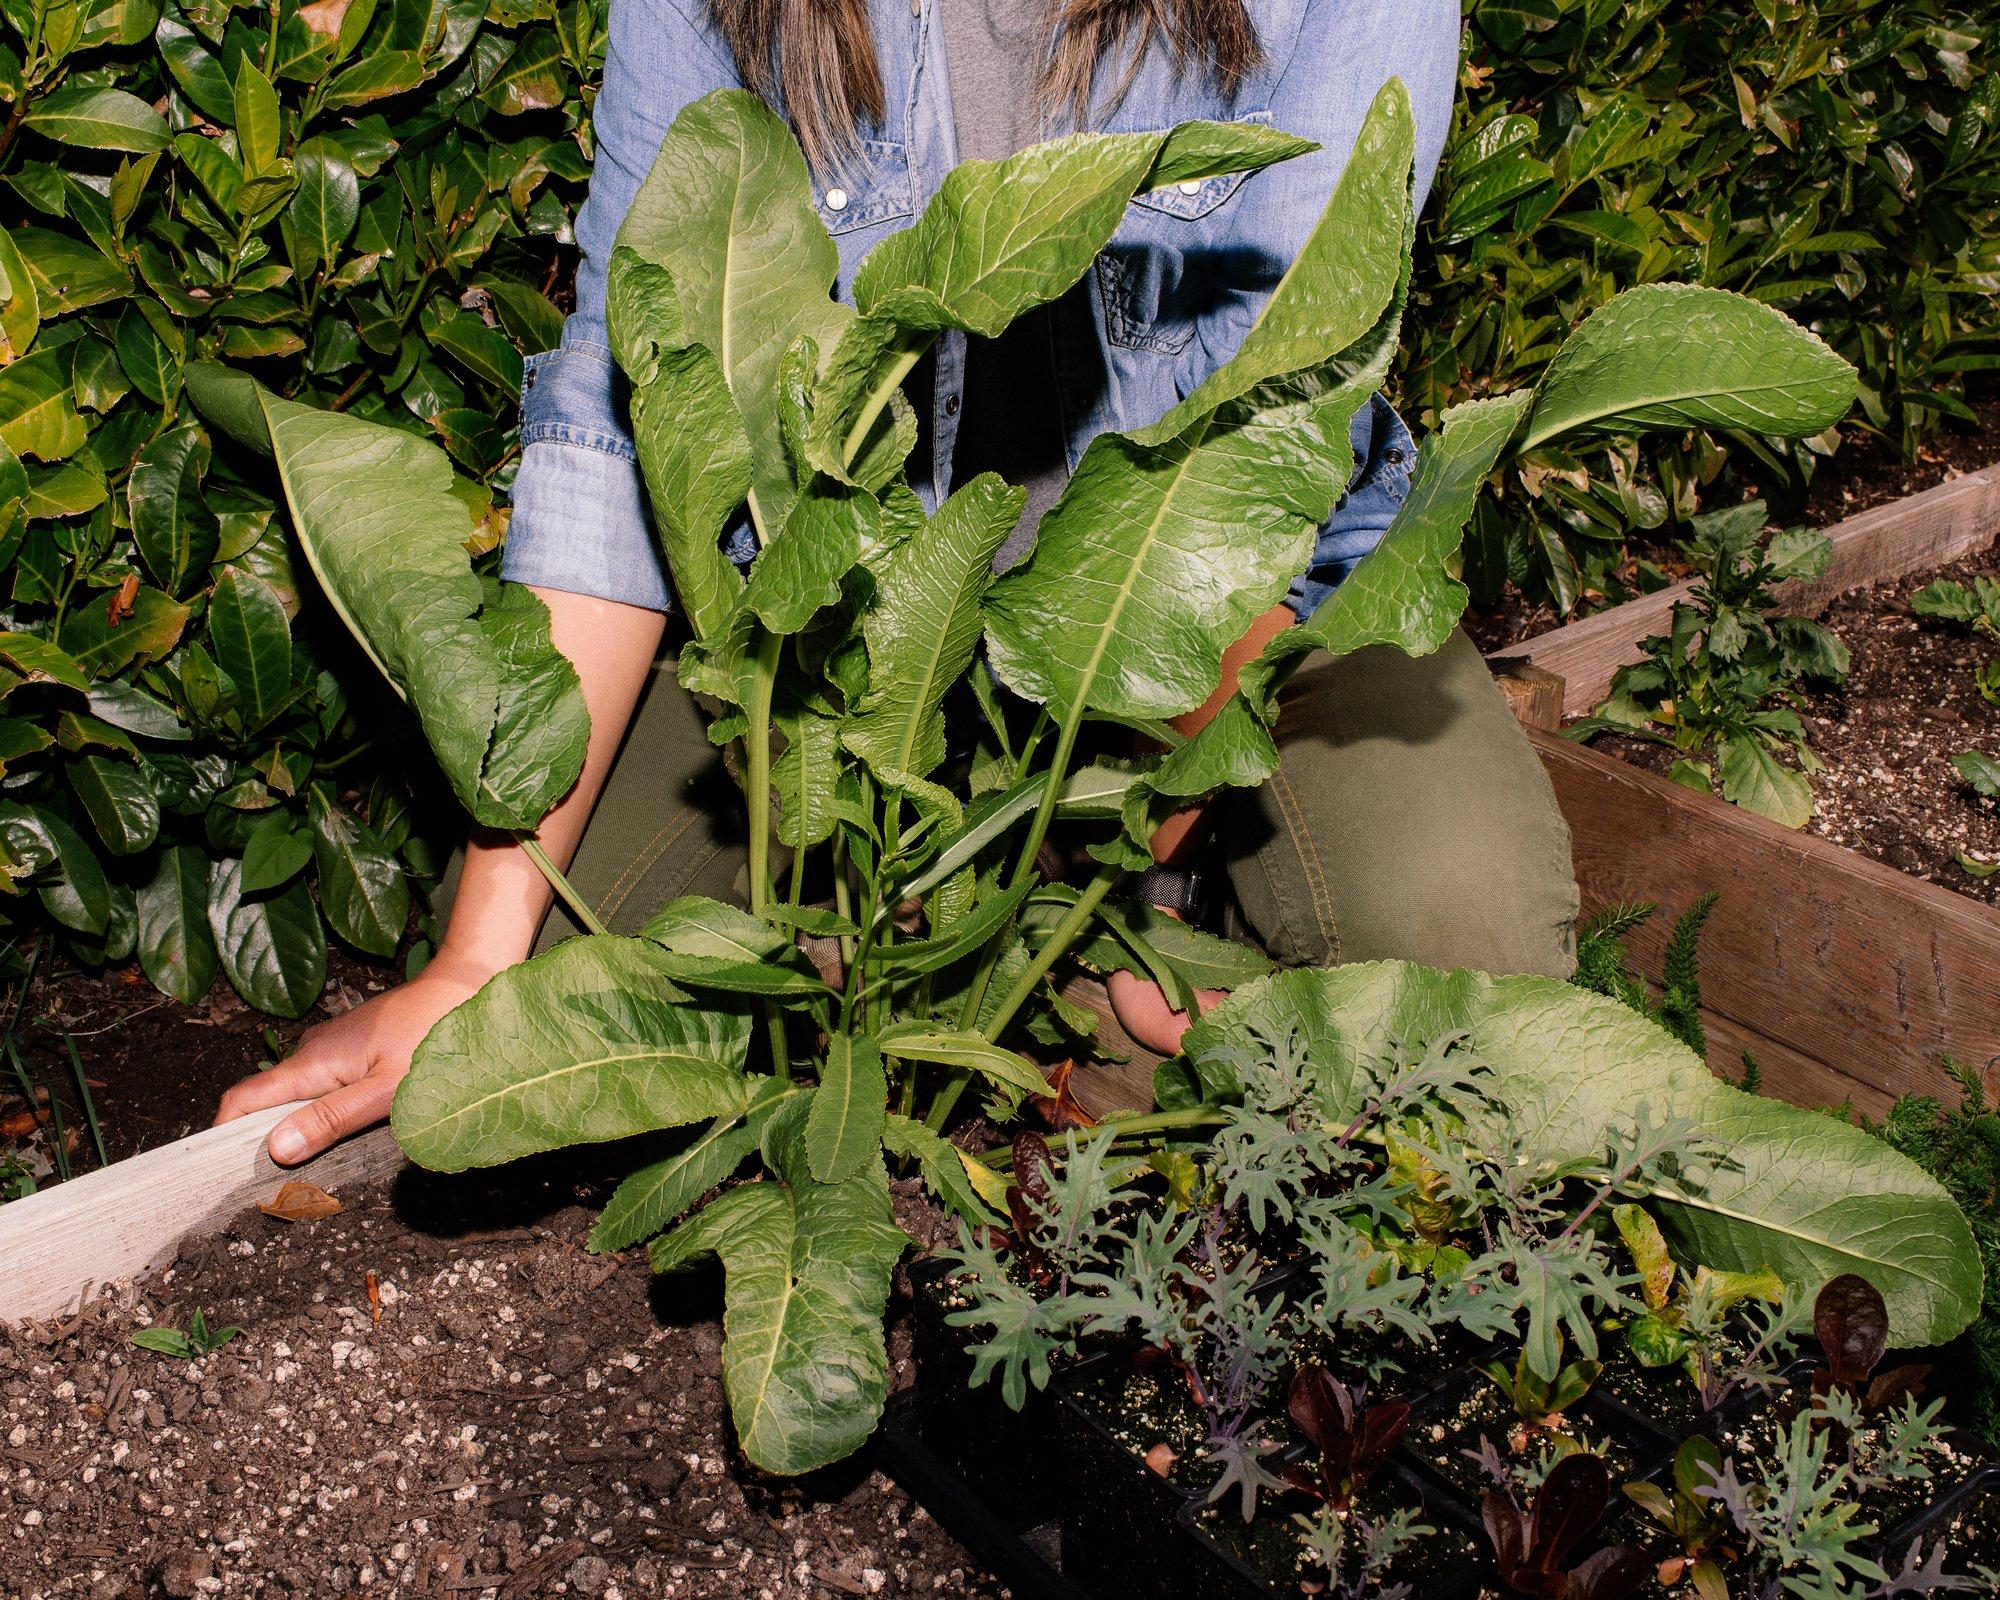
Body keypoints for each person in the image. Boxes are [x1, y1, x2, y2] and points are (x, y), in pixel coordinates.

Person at [217, 0, 1579, 1166]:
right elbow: (628, 385)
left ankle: (1076, 964)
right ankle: (1020, 991)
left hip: (1227, 604)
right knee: (587, 1006)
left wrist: (1118, 860)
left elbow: (1270, 427)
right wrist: (479, 958)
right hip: (840, 621)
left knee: (1465, 945)